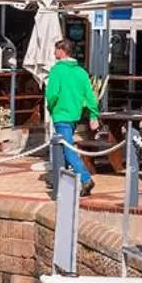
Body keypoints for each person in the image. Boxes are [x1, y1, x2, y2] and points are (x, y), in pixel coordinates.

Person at [45, 39, 100, 197]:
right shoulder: (81, 72)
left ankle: (85, 178)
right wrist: (93, 114)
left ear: (62, 51)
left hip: (61, 113)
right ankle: (61, 177)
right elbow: (90, 97)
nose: (54, 53)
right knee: (64, 147)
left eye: (56, 50)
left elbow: (52, 94)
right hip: (74, 115)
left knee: (68, 149)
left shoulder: (57, 70)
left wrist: (51, 108)